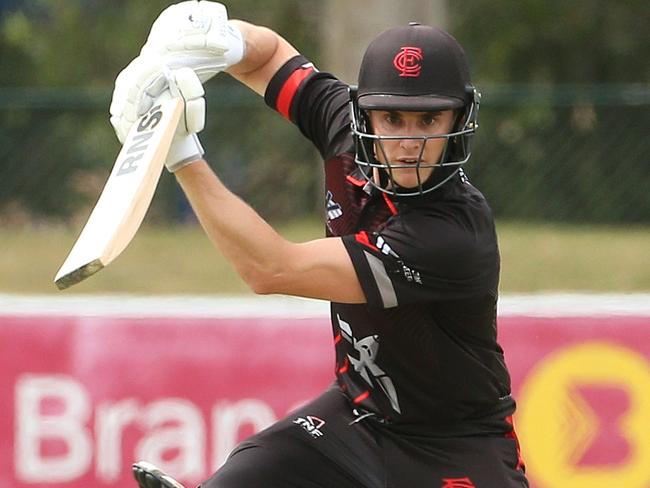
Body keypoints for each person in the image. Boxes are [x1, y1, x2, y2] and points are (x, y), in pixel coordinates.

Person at [112, 2, 530, 487]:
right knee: (242, 475)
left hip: (456, 446)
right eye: (392, 118)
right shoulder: (343, 128)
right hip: (357, 418)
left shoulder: (453, 234)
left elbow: (271, 269)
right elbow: (270, 59)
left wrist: (182, 154)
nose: (409, 141)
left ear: (458, 119)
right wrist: (220, 41)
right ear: (363, 115)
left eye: (429, 119)